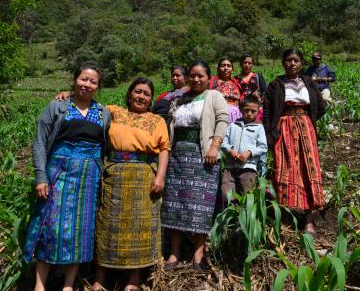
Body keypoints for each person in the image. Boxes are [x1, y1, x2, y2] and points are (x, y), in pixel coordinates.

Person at [23, 64, 110, 291]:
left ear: (98, 86)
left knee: (81, 229)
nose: (87, 85)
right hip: (58, 172)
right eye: (83, 79)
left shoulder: (103, 112)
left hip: (89, 177)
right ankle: (39, 285)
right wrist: (41, 175)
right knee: (50, 225)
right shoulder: (58, 106)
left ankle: (68, 285)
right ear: (75, 80)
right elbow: (40, 141)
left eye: (92, 81)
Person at [93, 78, 170, 291]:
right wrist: (67, 96)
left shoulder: (156, 120)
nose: (141, 96)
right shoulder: (112, 111)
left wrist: (160, 176)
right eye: (138, 91)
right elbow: (87, 106)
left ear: (151, 99)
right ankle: (100, 278)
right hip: (114, 174)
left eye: (146, 94)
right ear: (129, 94)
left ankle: (133, 281)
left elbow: (164, 149)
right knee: (108, 224)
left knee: (140, 226)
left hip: (143, 176)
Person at [162, 60, 229, 271]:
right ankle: (174, 254)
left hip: (203, 157)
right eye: (192, 75)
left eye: (201, 75)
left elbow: (223, 120)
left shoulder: (213, 96)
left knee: (202, 206)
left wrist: (214, 147)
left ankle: (198, 255)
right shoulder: (180, 99)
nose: (196, 79)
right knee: (175, 205)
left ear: (209, 78)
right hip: (178, 158)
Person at [263, 48, 326, 235]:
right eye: (289, 60)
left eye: (296, 60)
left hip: (306, 129)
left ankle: (308, 220)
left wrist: (309, 118)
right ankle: (284, 216)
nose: (292, 63)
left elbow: (321, 106)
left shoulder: (309, 83)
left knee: (309, 169)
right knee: (284, 169)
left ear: (301, 64)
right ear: (283, 63)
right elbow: (266, 111)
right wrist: (269, 133)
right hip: (283, 129)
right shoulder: (276, 84)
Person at [220, 94, 267, 204]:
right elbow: (224, 142)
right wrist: (230, 150)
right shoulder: (233, 125)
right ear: (240, 109)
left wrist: (249, 153)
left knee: (247, 195)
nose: (249, 114)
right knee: (227, 194)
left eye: (253, 111)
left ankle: (243, 219)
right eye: (246, 110)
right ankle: (231, 216)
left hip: (248, 167)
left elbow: (263, 147)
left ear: (258, 111)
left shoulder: (259, 128)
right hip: (230, 167)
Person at [209, 57, 242, 123]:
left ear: (232, 69)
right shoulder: (212, 81)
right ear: (218, 69)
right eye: (223, 66)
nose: (226, 68)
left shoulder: (236, 83)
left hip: (234, 114)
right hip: (216, 113)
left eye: (229, 66)